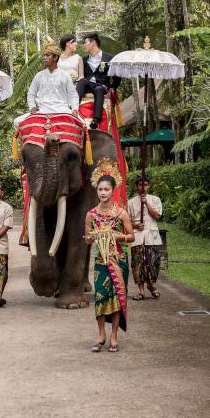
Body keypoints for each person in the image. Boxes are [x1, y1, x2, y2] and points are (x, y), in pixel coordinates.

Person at [85, 159, 134, 352]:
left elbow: (131, 237)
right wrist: (93, 237)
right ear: (96, 191)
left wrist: (117, 236)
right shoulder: (91, 214)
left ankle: (114, 336)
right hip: (100, 261)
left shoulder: (121, 214)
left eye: (106, 189)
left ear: (113, 190)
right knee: (101, 296)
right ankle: (100, 335)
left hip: (118, 260)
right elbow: (87, 239)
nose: (103, 192)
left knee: (116, 298)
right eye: (100, 189)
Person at [14, 38, 79, 128]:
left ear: (55, 57)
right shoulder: (39, 76)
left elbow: (73, 95)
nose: (44, 58)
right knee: (17, 122)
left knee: (86, 126)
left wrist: (75, 109)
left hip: (62, 110)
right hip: (42, 111)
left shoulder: (65, 75)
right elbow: (31, 94)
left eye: (47, 55)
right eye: (44, 55)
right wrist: (32, 107)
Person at [127, 177, 163, 299]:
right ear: (137, 187)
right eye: (140, 185)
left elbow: (157, 215)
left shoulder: (155, 200)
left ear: (149, 186)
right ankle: (141, 291)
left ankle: (151, 285)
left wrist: (146, 203)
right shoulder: (131, 202)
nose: (143, 187)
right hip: (137, 236)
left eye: (145, 185)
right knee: (138, 264)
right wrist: (136, 225)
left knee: (153, 262)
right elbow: (126, 221)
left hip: (151, 236)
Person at [76, 32, 120, 129]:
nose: (84, 45)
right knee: (82, 81)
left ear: (93, 43)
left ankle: (96, 120)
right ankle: (74, 109)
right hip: (88, 85)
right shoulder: (83, 60)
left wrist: (112, 87)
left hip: (101, 86)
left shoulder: (109, 58)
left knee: (99, 89)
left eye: (85, 43)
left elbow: (117, 76)